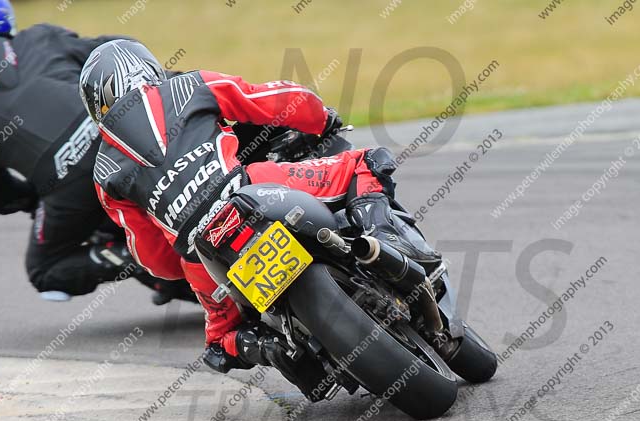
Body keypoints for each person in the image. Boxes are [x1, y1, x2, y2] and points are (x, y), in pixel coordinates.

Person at [79, 39, 441, 395]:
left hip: (200, 254)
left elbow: (153, 259)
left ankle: (271, 348)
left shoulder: (103, 172)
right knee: (365, 162)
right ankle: (380, 236)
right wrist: (319, 117)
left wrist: (185, 254)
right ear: (144, 67)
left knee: (220, 340)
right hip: (252, 192)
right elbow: (269, 100)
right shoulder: (187, 86)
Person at [0, 0, 191, 303]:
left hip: (68, 185)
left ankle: (132, 254)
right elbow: (117, 50)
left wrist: (33, 201)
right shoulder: (41, 35)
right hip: (126, 134)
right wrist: (166, 88)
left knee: (44, 270)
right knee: (198, 101)